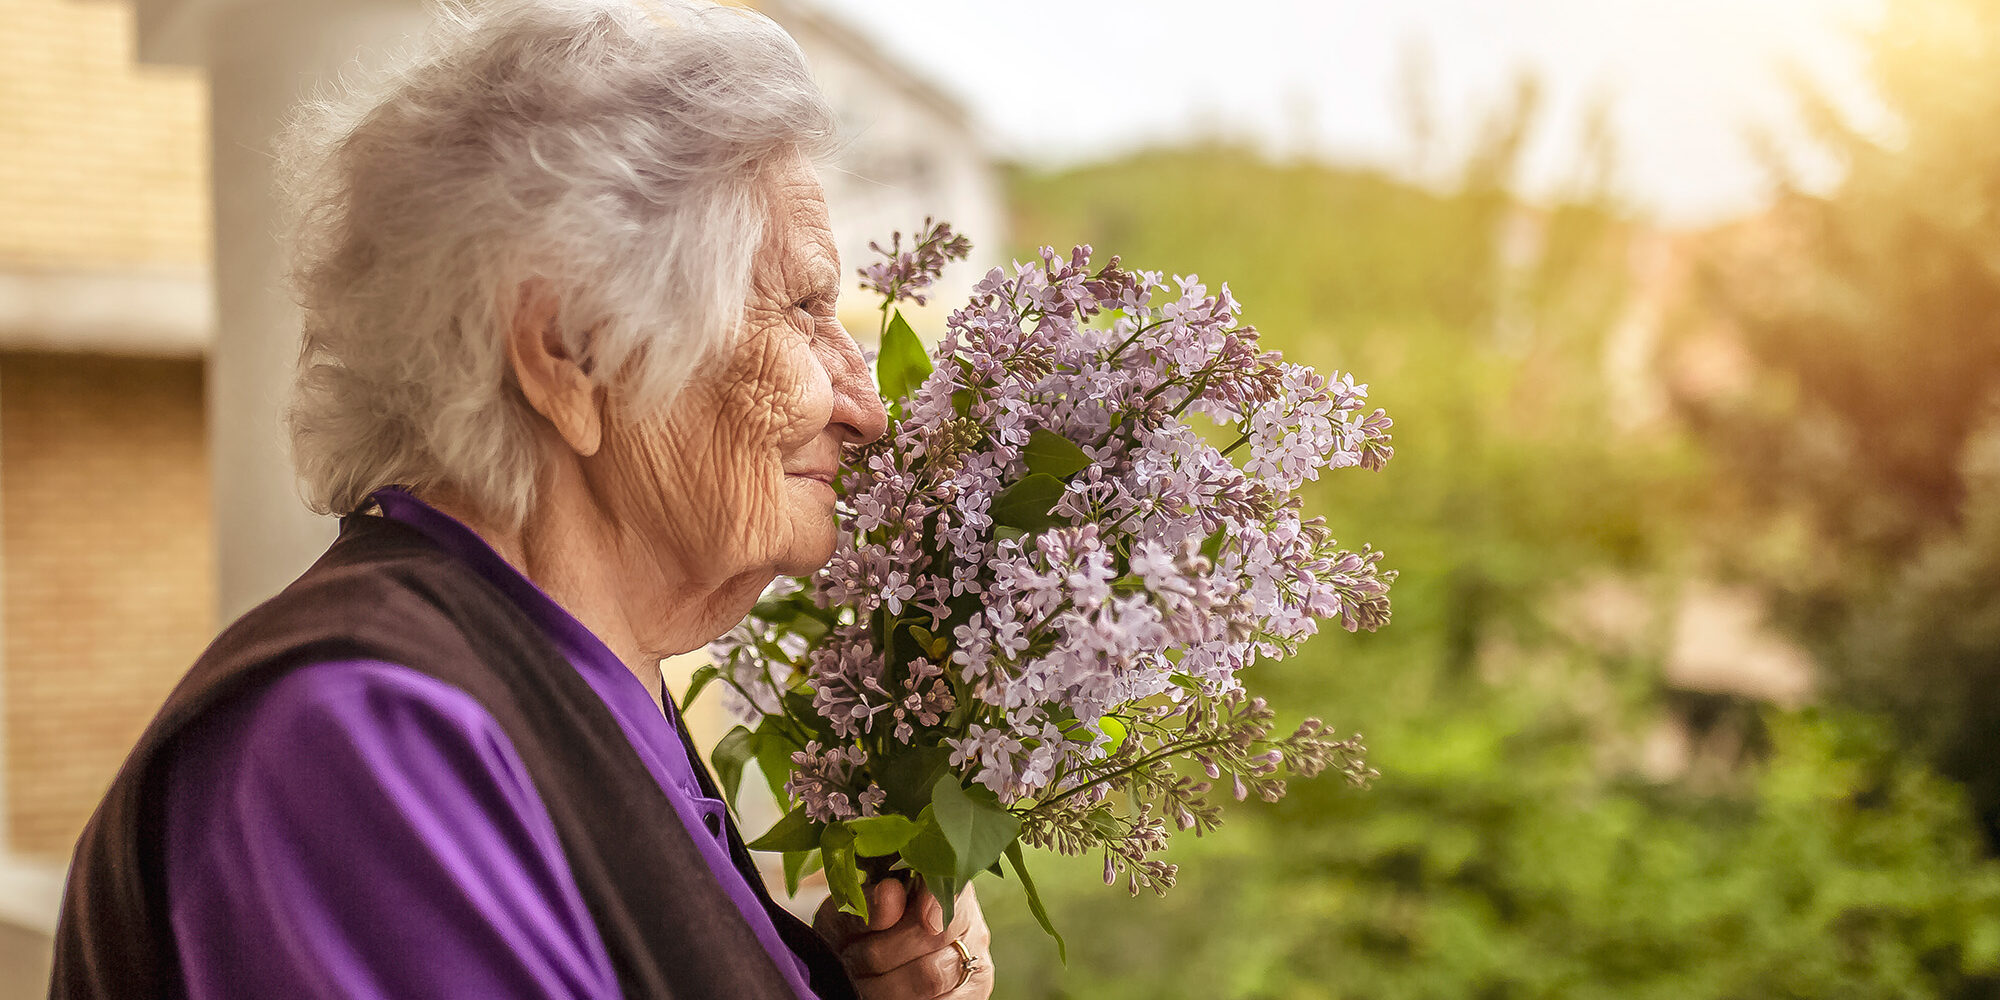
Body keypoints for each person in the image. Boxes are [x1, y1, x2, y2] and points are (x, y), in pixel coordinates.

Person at [48, 1, 994, 998]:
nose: (868, 407)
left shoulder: (583, 690)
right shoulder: (373, 737)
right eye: (803, 308)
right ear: (568, 349)